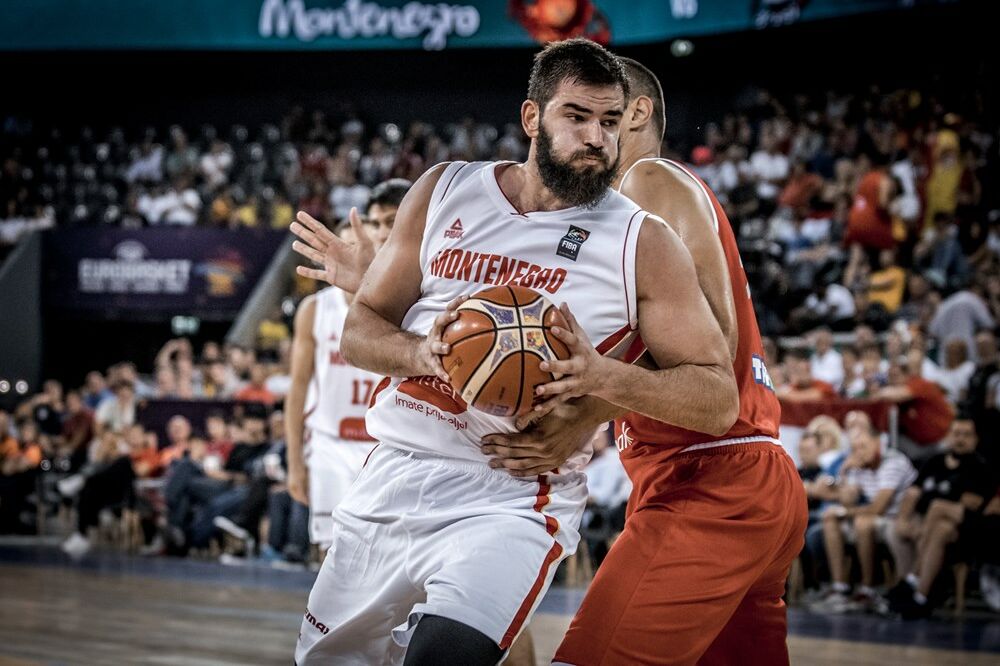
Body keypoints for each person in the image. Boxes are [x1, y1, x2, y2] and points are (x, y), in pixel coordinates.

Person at [292, 40, 737, 664]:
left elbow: (717, 397)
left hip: (513, 497)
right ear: (532, 118)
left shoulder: (643, 241)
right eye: (577, 117)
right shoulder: (445, 189)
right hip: (394, 473)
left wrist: (601, 377)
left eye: (610, 121)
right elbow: (360, 331)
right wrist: (424, 353)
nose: (596, 138)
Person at [285, 179, 409, 549]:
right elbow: (297, 390)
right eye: (345, 247)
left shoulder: (400, 302)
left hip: (384, 444)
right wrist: (295, 461)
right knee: (333, 551)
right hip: (330, 443)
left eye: (359, 247)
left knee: (385, 552)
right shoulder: (315, 309)